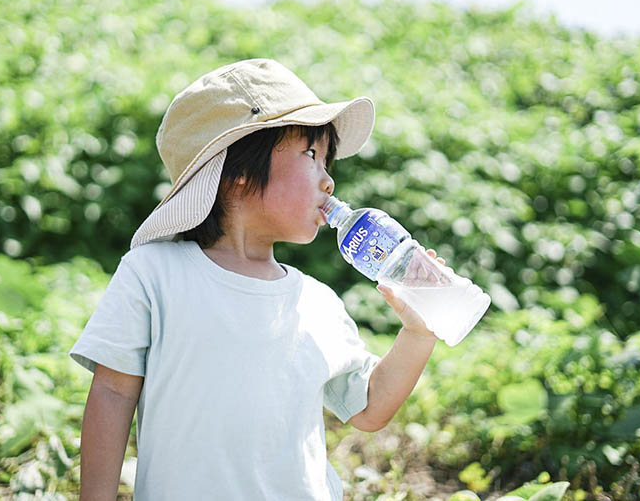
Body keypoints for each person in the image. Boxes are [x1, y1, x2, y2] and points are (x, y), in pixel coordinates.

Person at [69, 58, 444, 500]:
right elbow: (112, 392)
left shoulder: (318, 301)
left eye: (328, 161)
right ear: (237, 172)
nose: (328, 181)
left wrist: (419, 331)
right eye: (310, 154)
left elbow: (369, 406)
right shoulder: (153, 274)